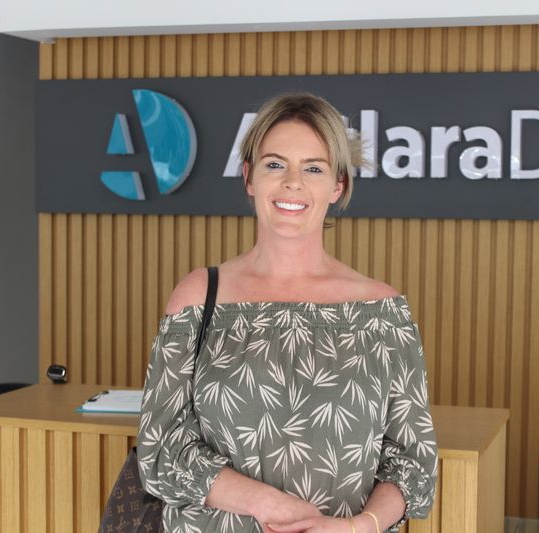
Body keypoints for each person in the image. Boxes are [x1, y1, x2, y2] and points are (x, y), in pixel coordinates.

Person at [138, 92, 438, 533]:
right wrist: (268, 505)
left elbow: (412, 463)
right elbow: (160, 448)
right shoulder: (199, 296)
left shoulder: (381, 310)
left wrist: (362, 526)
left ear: (337, 185)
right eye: (275, 164)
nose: (293, 182)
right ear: (249, 178)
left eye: (313, 168)